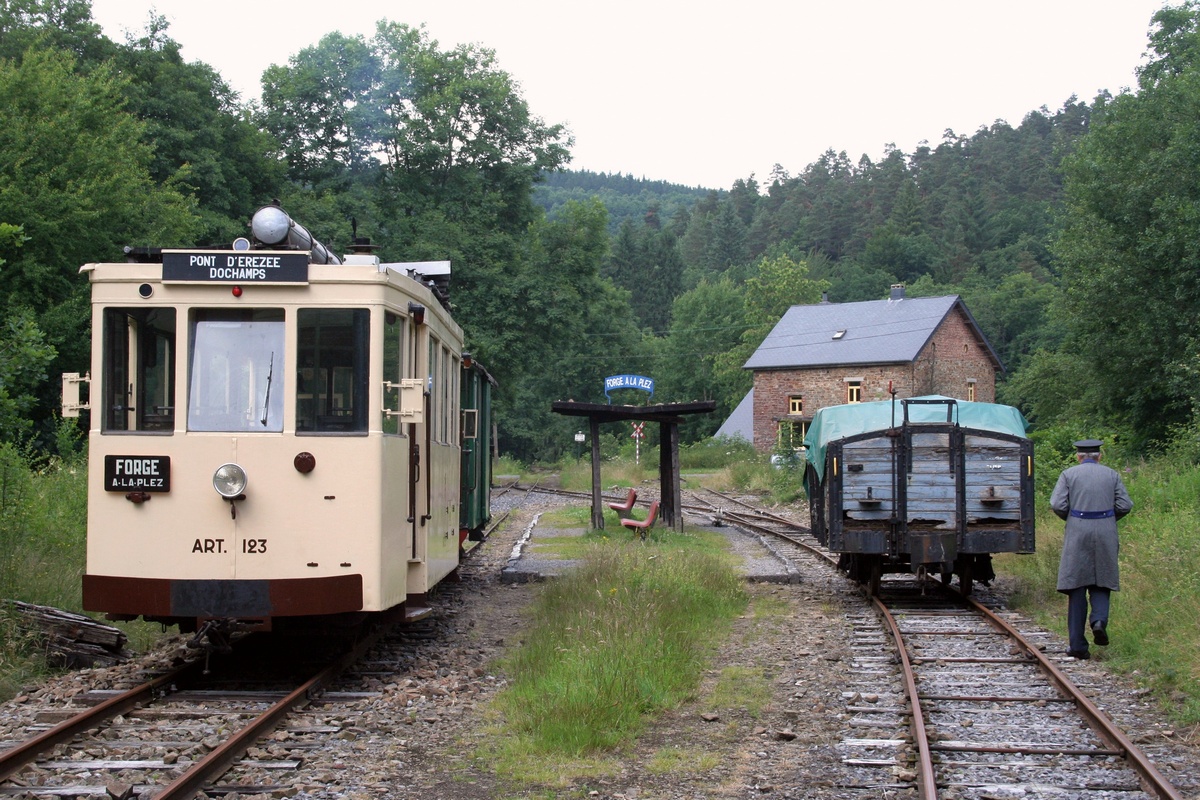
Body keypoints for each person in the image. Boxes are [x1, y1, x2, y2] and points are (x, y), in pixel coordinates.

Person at [1050, 439, 1133, 660]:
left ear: (1078, 456)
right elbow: (1125, 504)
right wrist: (1108, 519)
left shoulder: (1068, 474)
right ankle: (1098, 620)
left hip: (1078, 529)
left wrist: (1073, 518)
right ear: (1099, 456)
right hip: (1106, 529)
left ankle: (1077, 646)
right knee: (1102, 580)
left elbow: (1057, 504)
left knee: (1076, 586)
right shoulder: (1112, 475)